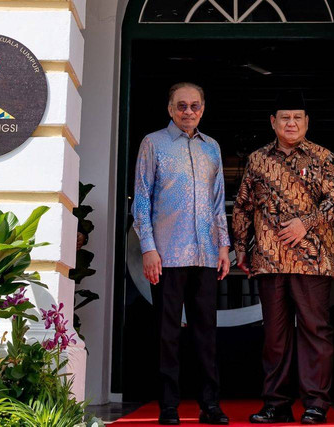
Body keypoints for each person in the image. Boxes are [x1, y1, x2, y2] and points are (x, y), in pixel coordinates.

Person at [232, 90, 334, 425]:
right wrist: (241, 247)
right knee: (275, 336)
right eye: (285, 117)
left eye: (298, 117)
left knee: (315, 331)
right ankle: (276, 404)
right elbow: (243, 206)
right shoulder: (256, 160)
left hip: (312, 261)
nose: (291, 123)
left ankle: (315, 404)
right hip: (269, 260)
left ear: (307, 122)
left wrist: (305, 224)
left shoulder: (322, 157)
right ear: (273, 122)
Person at [132, 82, 230, 425]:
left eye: (195, 106)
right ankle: (169, 406)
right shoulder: (153, 144)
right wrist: (148, 248)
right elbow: (142, 201)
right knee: (166, 334)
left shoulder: (212, 148)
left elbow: (218, 203)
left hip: (205, 255)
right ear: (170, 108)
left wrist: (224, 246)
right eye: (181, 106)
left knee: (207, 334)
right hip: (167, 255)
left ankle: (210, 405)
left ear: (203, 108)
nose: (189, 111)